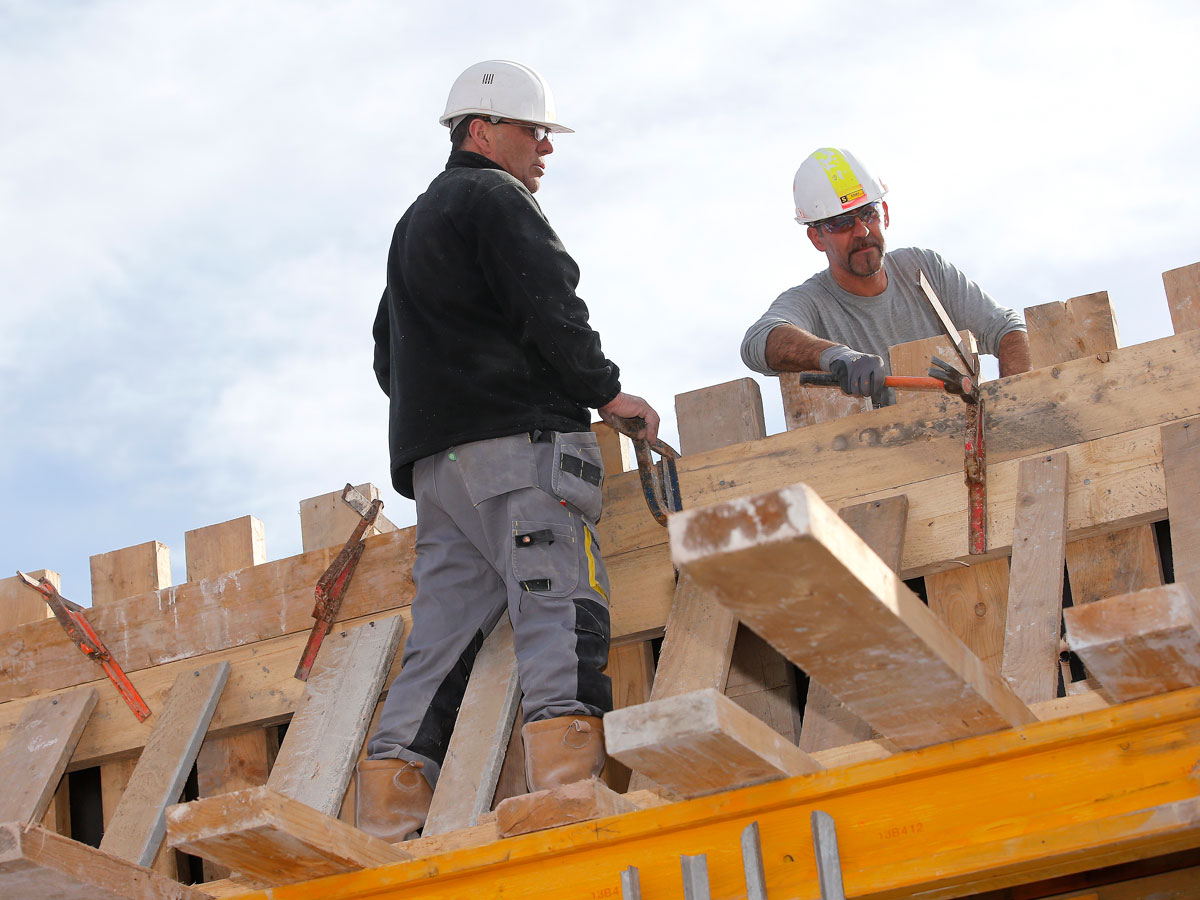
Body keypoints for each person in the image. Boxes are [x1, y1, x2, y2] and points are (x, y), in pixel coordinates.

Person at [358, 59, 660, 842]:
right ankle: (565, 790)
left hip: (440, 475)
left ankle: (389, 814)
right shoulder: (497, 199)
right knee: (560, 604)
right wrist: (609, 392)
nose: (545, 151)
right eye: (534, 133)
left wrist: (450, 415)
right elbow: (549, 302)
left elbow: (387, 353)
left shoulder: (417, 222)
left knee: (442, 639)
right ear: (482, 130)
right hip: (519, 455)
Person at [741, 147, 1031, 404]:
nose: (862, 232)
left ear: (886, 214)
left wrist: (1013, 405)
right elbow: (759, 341)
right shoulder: (813, 302)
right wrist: (838, 357)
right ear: (817, 238)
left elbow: (1007, 330)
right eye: (841, 223)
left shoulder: (923, 269)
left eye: (868, 214)